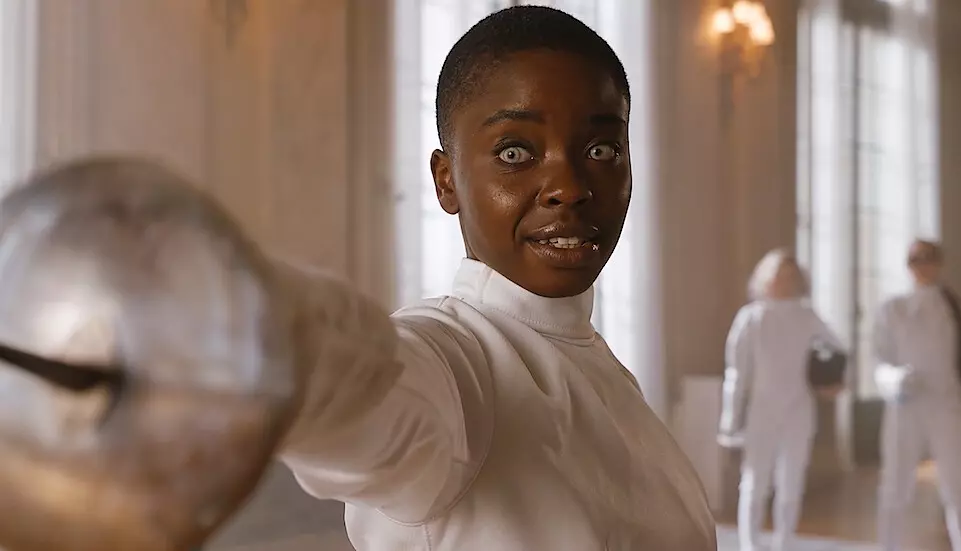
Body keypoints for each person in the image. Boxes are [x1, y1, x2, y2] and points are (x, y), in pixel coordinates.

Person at [273, 6, 716, 550]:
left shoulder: (610, 375)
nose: (569, 187)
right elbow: (368, 405)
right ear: (447, 182)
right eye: (515, 152)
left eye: (600, 150)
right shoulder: (453, 359)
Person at [873, 239, 961, 551]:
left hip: (946, 403)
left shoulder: (955, 307)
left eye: (929, 258)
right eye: (916, 259)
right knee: (895, 484)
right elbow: (879, 358)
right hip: (905, 405)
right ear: (908, 265)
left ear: (940, 263)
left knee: (957, 485)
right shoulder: (893, 308)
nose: (923, 265)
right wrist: (895, 380)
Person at [720, 249, 844, 551]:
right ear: (764, 278)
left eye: (790, 277)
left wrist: (832, 380)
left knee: (791, 481)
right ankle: (750, 544)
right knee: (755, 481)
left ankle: (785, 541)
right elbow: (737, 373)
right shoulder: (751, 318)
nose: (783, 282)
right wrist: (730, 419)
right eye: (778, 276)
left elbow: (837, 350)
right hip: (761, 410)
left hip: (798, 409)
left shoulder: (806, 316)